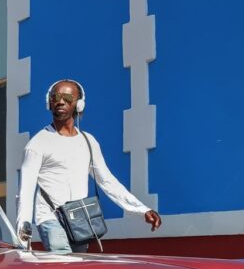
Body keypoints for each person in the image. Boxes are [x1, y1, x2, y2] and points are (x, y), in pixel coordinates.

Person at [17, 78, 161, 253]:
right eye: (55, 97)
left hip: (79, 220)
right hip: (50, 219)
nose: (60, 101)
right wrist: (23, 234)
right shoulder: (37, 144)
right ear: (49, 102)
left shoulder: (88, 141)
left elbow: (107, 181)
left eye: (67, 98)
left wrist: (141, 209)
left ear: (79, 105)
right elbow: (26, 190)